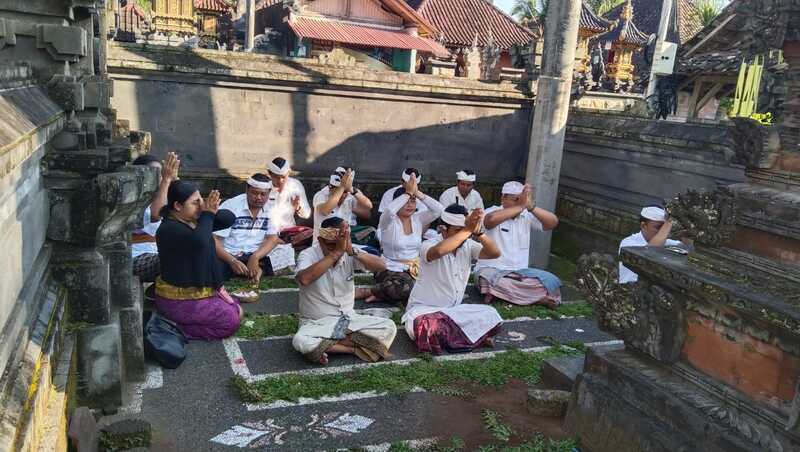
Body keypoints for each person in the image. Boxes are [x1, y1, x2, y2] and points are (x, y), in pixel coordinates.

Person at [293, 217, 397, 365]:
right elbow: (304, 279)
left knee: (389, 326)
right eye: (330, 245)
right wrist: (335, 253)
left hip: (349, 320)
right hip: (317, 323)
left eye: (338, 244)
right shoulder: (308, 254)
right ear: (320, 240)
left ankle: (330, 345)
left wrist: (352, 251)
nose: (336, 248)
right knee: (300, 340)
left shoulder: (349, 250)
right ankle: (353, 349)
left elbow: (381, 266)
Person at [402, 205, 503, 354]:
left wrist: (479, 232)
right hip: (424, 312)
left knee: (492, 315)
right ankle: (470, 337)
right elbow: (439, 251)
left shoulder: (467, 245)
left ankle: (457, 337)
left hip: (454, 312)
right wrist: (467, 229)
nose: (464, 235)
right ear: (443, 229)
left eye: (465, 230)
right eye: (458, 230)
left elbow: (495, 253)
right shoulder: (428, 244)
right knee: (427, 327)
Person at [154, 180, 241, 340]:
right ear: (178, 206)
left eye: (201, 199)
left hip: (198, 293)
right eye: (195, 202)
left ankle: (181, 321)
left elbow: (229, 218)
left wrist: (207, 210)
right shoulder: (168, 229)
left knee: (237, 311)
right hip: (178, 300)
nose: (201, 205)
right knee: (231, 322)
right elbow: (199, 242)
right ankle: (176, 327)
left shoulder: (192, 221)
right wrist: (207, 215)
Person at [475, 181, 562, 307]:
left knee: (551, 280)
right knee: (489, 281)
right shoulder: (491, 211)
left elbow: (552, 223)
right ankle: (536, 298)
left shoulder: (526, 216)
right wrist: (521, 206)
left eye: (520, 200)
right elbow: (490, 221)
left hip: (520, 273)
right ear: (503, 197)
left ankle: (510, 295)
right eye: (515, 199)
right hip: (491, 270)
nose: (519, 203)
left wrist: (531, 207)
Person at [361, 174, 443, 304]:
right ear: (397, 202)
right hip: (390, 269)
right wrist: (407, 193)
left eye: (413, 201)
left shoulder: (418, 219)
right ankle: (370, 291)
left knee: (438, 286)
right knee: (403, 288)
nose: (409, 205)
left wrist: (416, 193)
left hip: (415, 269)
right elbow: (388, 211)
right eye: (405, 201)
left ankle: (382, 294)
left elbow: (439, 210)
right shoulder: (388, 221)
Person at [214, 173, 293, 287]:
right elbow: (214, 239)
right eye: (254, 193)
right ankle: (255, 270)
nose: (259, 197)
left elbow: (272, 238)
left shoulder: (272, 208)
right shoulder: (230, 206)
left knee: (286, 251)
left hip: (257, 253)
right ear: (247, 190)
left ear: (269, 193)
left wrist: (255, 257)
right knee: (211, 264)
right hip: (230, 254)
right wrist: (232, 261)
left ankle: (254, 269)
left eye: (263, 194)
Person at [131, 152, 179, 283]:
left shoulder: (163, 196)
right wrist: (166, 181)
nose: (160, 177)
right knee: (173, 259)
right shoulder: (134, 198)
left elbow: (185, 208)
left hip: (158, 252)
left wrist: (174, 181)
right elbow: (156, 214)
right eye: (155, 173)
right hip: (136, 257)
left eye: (162, 173)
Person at [618, 205, 682, 284]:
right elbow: (649, 253)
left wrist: (689, 230)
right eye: (659, 227)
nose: (663, 232)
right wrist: (669, 222)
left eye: (664, 228)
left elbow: (687, 251)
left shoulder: (667, 243)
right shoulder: (628, 243)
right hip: (629, 291)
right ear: (643, 226)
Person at [312, 167, 373, 243]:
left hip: (346, 242)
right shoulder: (320, 195)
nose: (344, 195)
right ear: (330, 188)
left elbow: (368, 207)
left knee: (371, 231)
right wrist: (342, 187)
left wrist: (351, 190)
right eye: (341, 191)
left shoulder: (350, 193)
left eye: (345, 192)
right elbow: (325, 210)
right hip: (324, 243)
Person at [266, 157, 313, 248]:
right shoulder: (263, 187)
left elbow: (307, 214)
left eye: (283, 177)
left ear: (289, 173)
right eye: (276, 177)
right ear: (269, 174)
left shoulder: (295, 186)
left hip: (288, 233)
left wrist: (298, 208)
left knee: (310, 233)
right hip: (266, 233)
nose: (280, 181)